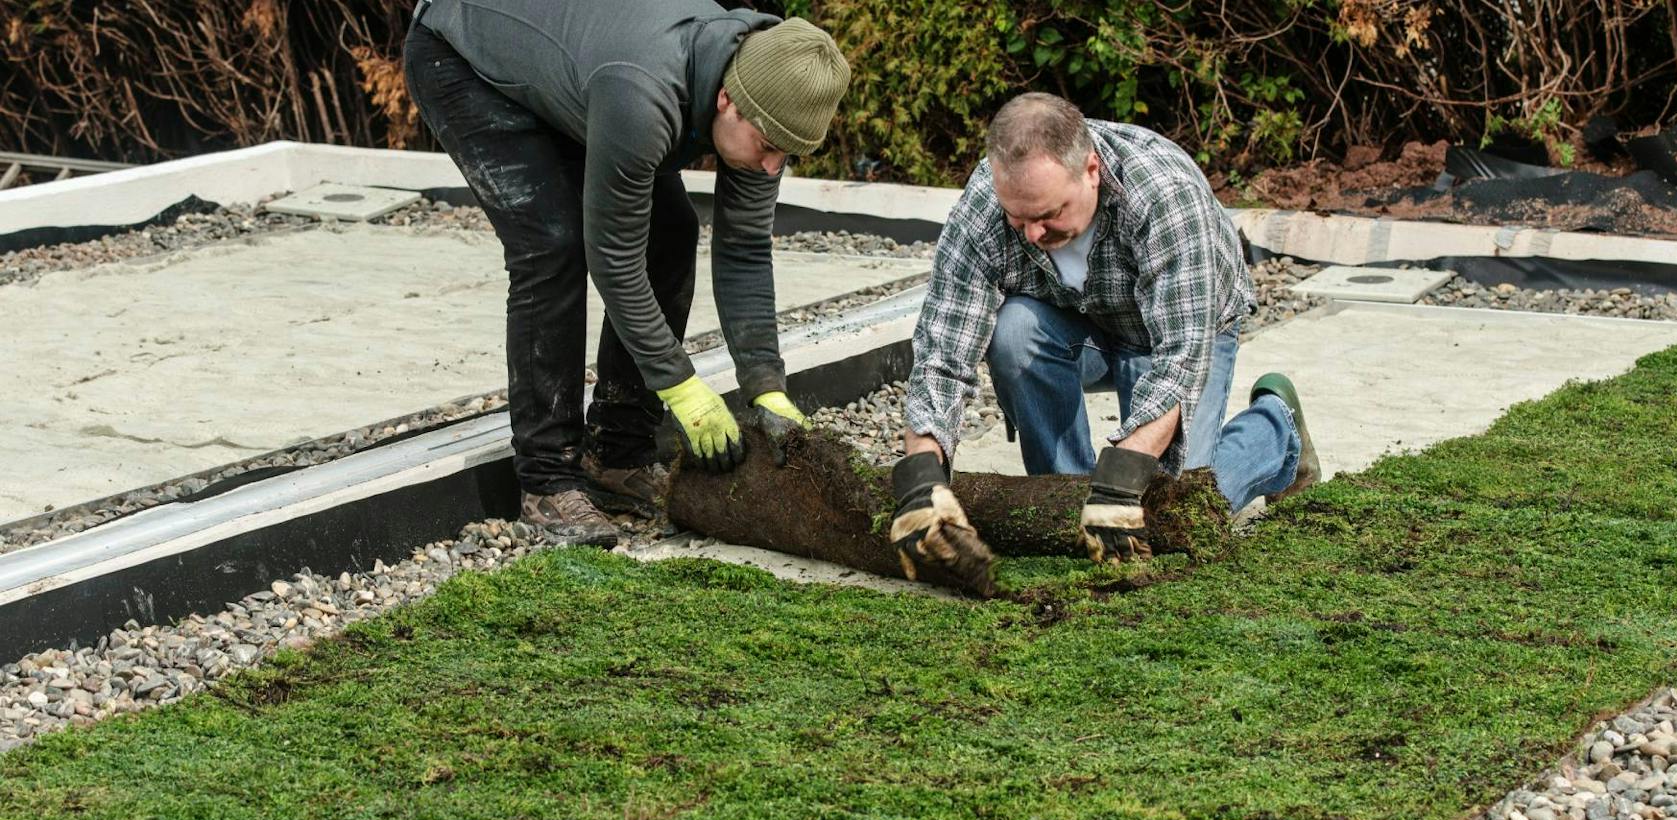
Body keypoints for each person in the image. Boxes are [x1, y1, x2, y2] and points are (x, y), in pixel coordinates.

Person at [404, 0, 850, 547]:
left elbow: (745, 250)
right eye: (768, 148)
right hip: (462, 55)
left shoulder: (768, 95)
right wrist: (681, 385)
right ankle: (547, 480)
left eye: (789, 155)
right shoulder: (643, 92)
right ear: (727, 99)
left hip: (586, 72)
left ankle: (614, 454)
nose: (771, 167)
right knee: (552, 246)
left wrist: (766, 387)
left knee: (672, 233)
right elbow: (612, 259)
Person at [889, 92, 1318, 579]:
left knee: (1173, 509)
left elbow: (1181, 358)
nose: (1031, 232)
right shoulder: (985, 208)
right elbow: (943, 352)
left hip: (1176, 337)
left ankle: (1277, 429)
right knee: (1014, 331)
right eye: (1018, 218)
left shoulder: (1163, 196)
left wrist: (1124, 479)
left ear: (1091, 170)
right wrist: (922, 474)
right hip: (1081, 324)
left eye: (1049, 214)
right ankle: (1069, 498)